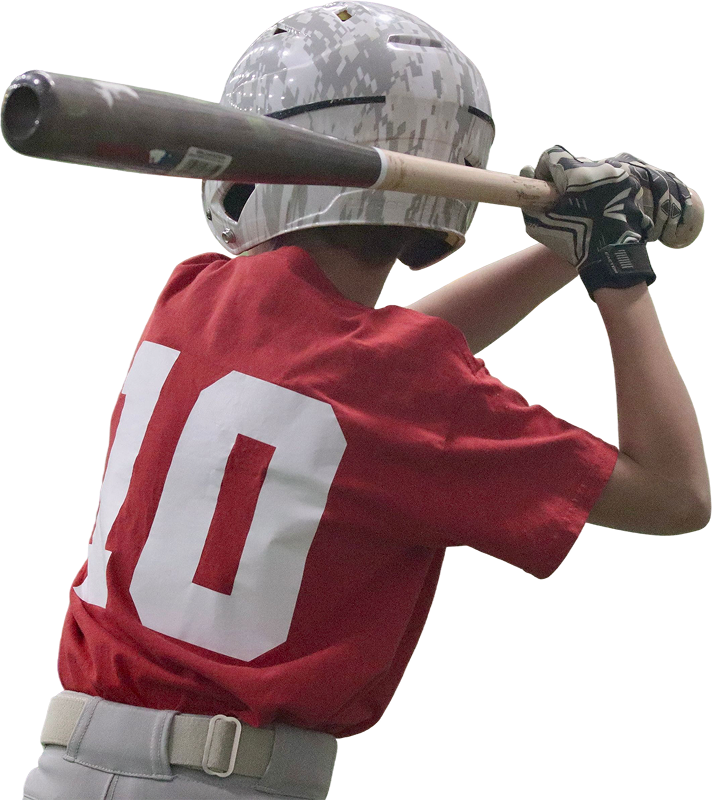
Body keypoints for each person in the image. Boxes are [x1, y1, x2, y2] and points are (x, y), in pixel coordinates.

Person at [23, 2, 710, 800]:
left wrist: (560, 250)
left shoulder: (197, 296)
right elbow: (677, 491)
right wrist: (615, 272)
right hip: (222, 784)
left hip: (73, 770)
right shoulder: (399, 392)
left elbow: (371, 376)